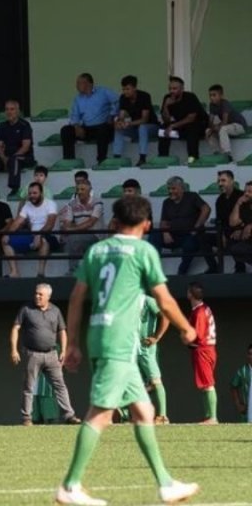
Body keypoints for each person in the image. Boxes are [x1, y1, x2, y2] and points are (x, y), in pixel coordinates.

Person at [54, 195, 199, 506]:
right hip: (118, 341)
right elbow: (164, 300)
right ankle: (70, 486)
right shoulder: (144, 250)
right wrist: (186, 328)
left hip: (102, 338)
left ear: (114, 222)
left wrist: (75, 342)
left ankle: (165, 484)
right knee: (101, 413)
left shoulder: (97, 250)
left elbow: (77, 297)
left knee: (144, 411)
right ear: (147, 224)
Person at [10, 283, 79, 426]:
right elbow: (16, 328)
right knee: (28, 387)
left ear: (48, 296)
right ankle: (27, 418)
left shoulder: (55, 311)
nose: (37, 296)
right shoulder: (26, 309)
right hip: (33, 355)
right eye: (36, 293)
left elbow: (62, 331)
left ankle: (69, 416)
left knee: (60, 385)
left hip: (52, 355)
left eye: (40, 294)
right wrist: (14, 350)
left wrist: (64, 351)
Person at [151, 177, 218, 276]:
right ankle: (152, 269)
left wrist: (197, 227)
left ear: (182, 188)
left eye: (173, 189)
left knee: (190, 244)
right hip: (173, 236)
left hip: (190, 235)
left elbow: (206, 209)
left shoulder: (192, 196)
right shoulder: (167, 202)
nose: (170, 191)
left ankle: (182, 272)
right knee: (154, 236)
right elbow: (163, 221)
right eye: (169, 189)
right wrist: (165, 232)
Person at [3, 182, 58, 278]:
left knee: (43, 241)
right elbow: (17, 222)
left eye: (35, 193)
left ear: (41, 193)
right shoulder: (27, 205)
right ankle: (14, 272)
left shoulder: (50, 204)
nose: (32, 196)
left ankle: (40, 273)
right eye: (30, 193)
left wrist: (39, 234)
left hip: (47, 235)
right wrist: (8, 234)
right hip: (31, 236)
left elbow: (50, 224)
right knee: (5, 241)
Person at [60, 73, 117, 164]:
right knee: (66, 130)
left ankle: (101, 160)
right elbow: (75, 115)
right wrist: (77, 126)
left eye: (79, 83)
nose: (77, 86)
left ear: (88, 84)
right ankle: (69, 161)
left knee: (103, 129)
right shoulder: (77, 99)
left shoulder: (103, 92)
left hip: (103, 126)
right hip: (86, 128)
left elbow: (117, 101)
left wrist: (112, 115)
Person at [136, 292, 171, 424]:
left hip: (145, 349)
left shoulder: (149, 301)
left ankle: (162, 416)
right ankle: (131, 416)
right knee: (135, 384)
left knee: (155, 380)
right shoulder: (127, 302)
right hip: (132, 349)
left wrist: (156, 337)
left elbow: (165, 317)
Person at [187, 282, 218, 424]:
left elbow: (198, 335)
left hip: (203, 349)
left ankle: (212, 417)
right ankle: (208, 415)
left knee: (208, 383)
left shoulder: (199, 312)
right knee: (204, 384)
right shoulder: (205, 308)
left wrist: (186, 339)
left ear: (191, 294)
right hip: (208, 349)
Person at [158, 77, 206, 164]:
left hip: (199, 125)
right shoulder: (168, 98)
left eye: (174, 88)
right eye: (170, 89)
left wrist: (173, 126)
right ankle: (163, 157)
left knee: (192, 128)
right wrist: (166, 106)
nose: (172, 91)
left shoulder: (190, 97)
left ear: (182, 89)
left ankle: (193, 158)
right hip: (181, 127)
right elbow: (166, 120)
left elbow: (191, 118)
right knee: (163, 128)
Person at [111, 75, 156, 166]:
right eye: (123, 89)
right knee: (119, 129)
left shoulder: (144, 96)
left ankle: (142, 158)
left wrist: (128, 123)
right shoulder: (123, 98)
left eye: (127, 89)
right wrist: (119, 122)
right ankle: (116, 157)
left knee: (142, 127)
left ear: (135, 88)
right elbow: (122, 114)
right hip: (134, 128)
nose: (125, 92)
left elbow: (144, 119)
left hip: (151, 127)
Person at [58, 182, 104, 259]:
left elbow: (90, 223)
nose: (79, 192)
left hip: (95, 235)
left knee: (73, 239)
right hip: (78, 233)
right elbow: (67, 223)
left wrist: (72, 229)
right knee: (68, 238)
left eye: (82, 189)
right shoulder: (71, 204)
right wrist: (68, 228)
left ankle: (73, 270)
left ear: (89, 190)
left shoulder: (97, 203)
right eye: (77, 189)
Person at [205, 84, 247, 160]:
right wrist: (211, 129)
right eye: (210, 95)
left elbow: (224, 121)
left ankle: (227, 154)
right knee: (207, 131)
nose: (211, 97)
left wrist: (216, 127)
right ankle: (216, 153)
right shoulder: (212, 105)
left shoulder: (225, 103)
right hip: (228, 126)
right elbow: (210, 121)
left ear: (221, 95)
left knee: (223, 129)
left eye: (214, 95)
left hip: (239, 126)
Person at [229, 343, 252, 424]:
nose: (251, 356)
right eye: (249, 354)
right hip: (247, 410)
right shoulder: (242, 371)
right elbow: (233, 387)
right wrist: (238, 404)